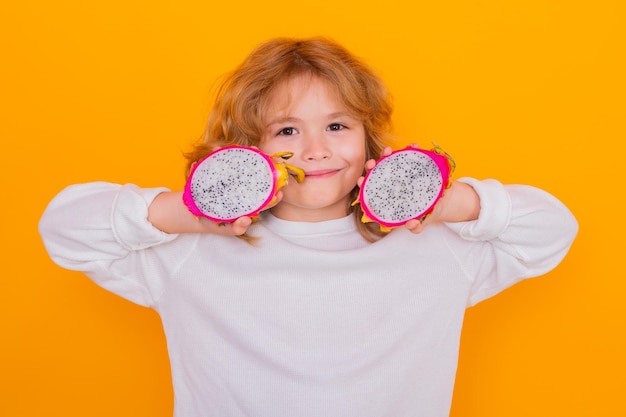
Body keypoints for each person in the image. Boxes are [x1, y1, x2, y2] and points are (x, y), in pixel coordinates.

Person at [39, 37, 578, 417]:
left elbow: (554, 227)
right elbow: (63, 227)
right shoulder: (189, 253)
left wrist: (439, 202)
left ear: (370, 142)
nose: (316, 150)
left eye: (338, 125)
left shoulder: (436, 248)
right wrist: (197, 212)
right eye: (287, 129)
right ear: (248, 150)